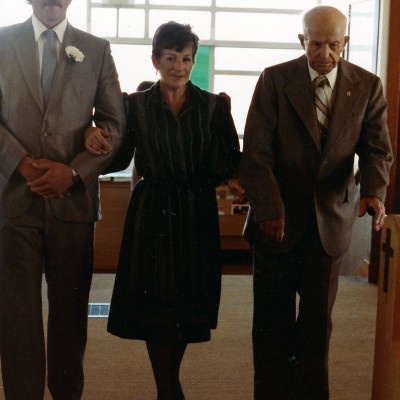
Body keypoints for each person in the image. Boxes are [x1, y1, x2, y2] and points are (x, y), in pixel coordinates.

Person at [239, 5, 393, 400]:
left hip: (330, 224)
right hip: (278, 221)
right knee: (271, 324)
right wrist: (270, 209)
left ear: (345, 43)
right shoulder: (275, 80)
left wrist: (375, 190)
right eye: (316, 43)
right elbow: (256, 153)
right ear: (301, 40)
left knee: (315, 325)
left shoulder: (367, 85)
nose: (324, 53)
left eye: (333, 45)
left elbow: (377, 149)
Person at [85, 21, 244, 400]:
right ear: (155, 59)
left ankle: (167, 385)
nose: (179, 66)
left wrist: (231, 135)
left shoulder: (213, 105)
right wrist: (90, 134)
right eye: (171, 57)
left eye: (186, 58)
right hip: (152, 211)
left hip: (196, 212)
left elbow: (226, 165)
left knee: (187, 304)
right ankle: (169, 388)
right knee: (156, 305)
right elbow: (115, 159)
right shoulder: (134, 105)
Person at [0, 0, 126, 399]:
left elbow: (114, 123)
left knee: (70, 313)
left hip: (72, 204)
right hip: (12, 199)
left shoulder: (97, 48)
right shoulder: (1, 43)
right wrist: (20, 164)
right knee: (17, 315)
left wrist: (72, 173)